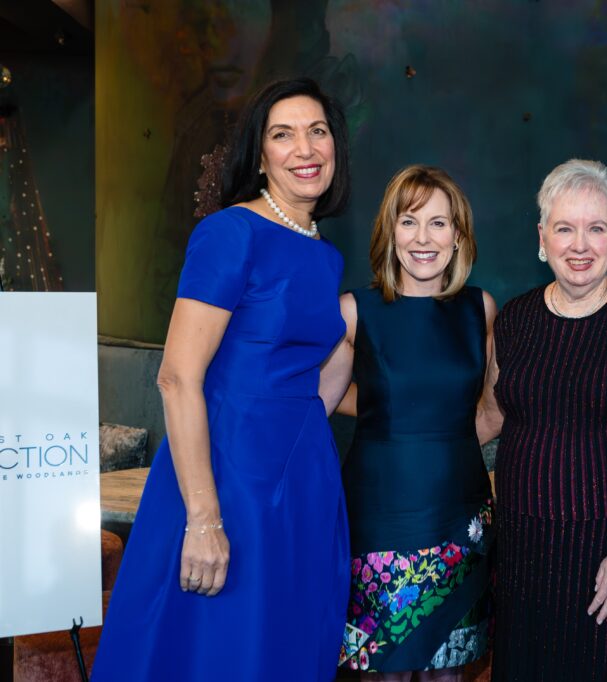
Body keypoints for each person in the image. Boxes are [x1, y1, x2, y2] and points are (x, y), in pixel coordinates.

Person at [92, 78, 352, 681]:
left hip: (302, 479)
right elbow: (178, 377)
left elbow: (312, 382)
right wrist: (203, 518)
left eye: (317, 131)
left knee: (283, 645)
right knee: (221, 649)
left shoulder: (325, 253)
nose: (305, 148)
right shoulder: (230, 233)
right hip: (228, 477)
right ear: (259, 156)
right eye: (282, 135)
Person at [476, 159, 607, 681]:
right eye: (565, 228)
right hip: (523, 550)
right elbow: (488, 417)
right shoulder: (515, 320)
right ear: (542, 237)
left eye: (595, 229)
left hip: (606, 554)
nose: (580, 245)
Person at [319, 165, 496, 679]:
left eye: (439, 224)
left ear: (458, 236)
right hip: (379, 517)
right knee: (384, 671)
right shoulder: (355, 310)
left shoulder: (480, 309)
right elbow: (315, 404)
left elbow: (492, 409)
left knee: (451, 669)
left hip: (460, 517)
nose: (423, 238)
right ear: (389, 231)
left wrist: (444, 448)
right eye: (410, 221)